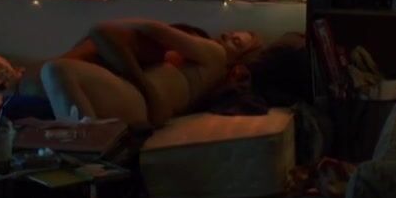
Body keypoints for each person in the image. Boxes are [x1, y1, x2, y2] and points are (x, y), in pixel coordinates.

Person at [28, 19, 261, 130]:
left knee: (56, 70)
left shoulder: (217, 56)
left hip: (139, 100)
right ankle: (85, 143)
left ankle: (88, 148)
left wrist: (130, 22)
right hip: (130, 97)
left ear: (238, 60)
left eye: (236, 42)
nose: (226, 36)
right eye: (230, 32)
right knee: (52, 73)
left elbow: (151, 28)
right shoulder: (199, 67)